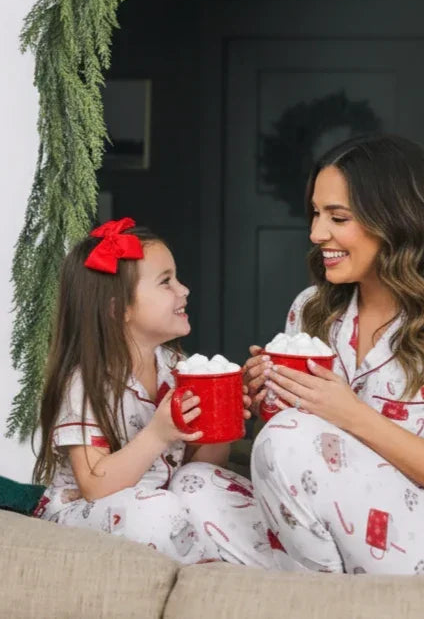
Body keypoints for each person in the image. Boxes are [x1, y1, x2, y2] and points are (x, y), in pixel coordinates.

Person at [244, 135, 424, 575]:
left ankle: (316, 596)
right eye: (316, 213)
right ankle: (326, 591)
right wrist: (264, 400)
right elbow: (292, 463)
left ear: (395, 220)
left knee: (289, 434)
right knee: (198, 487)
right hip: (331, 538)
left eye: (338, 217)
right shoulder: (311, 309)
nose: (316, 234)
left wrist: (350, 414)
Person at [32, 217, 274, 568]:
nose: (184, 289)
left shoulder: (176, 367)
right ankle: (210, 574)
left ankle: (278, 574)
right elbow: (94, 486)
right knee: (159, 508)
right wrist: (158, 434)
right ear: (119, 309)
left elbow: (199, 468)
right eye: (166, 282)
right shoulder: (85, 383)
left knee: (200, 481)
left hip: (166, 503)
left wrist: (224, 421)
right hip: (90, 511)